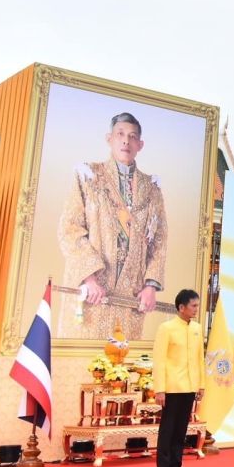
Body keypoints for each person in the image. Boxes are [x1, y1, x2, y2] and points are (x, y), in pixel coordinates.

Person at [57, 112, 168, 339]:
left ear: (140, 144)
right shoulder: (88, 176)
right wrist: (89, 278)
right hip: (92, 292)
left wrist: (150, 286)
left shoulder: (152, 189)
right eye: (120, 134)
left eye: (132, 136)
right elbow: (70, 228)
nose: (126, 141)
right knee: (82, 364)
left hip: (130, 296)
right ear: (110, 139)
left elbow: (159, 239)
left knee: (121, 366)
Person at [153, 288, 203, 467]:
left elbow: (199, 359)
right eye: (193, 305)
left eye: (197, 305)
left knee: (181, 431)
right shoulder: (167, 328)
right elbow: (159, 360)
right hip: (172, 387)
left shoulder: (197, 329)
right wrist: (160, 389)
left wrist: (201, 385)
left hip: (190, 387)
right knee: (168, 431)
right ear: (181, 307)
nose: (196, 309)